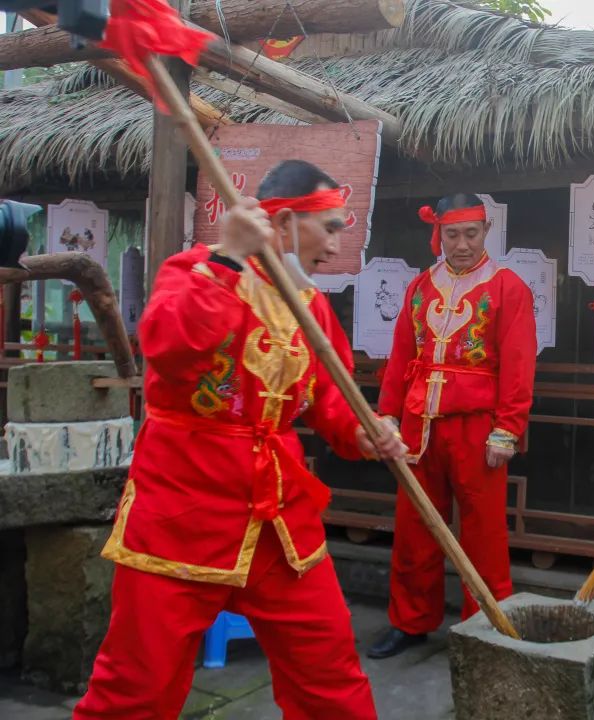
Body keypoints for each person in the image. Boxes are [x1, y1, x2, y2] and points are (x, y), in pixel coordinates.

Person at [74, 159, 405, 719]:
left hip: (279, 519)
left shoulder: (313, 307)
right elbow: (169, 349)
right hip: (182, 510)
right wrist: (227, 261)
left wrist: (363, 432)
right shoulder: (195, 269)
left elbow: (328, 400)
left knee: (329, 673)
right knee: (138, 687)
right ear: (283, 223)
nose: (336, 243)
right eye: (329, 226)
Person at [367, 193, 537, 659]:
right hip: (419, 426)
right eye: (451, 234)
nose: (461, 245)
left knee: (483, 534)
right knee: (415, 527)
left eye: (470, 234)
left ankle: (487, 627)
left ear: (486, 232)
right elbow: (401, 354)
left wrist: (508, 429)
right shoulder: (420, 285)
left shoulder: (508, 288)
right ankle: (410, 621)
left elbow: (519, 366)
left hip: (478, 428)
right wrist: (387, 416)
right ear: (438, 234)